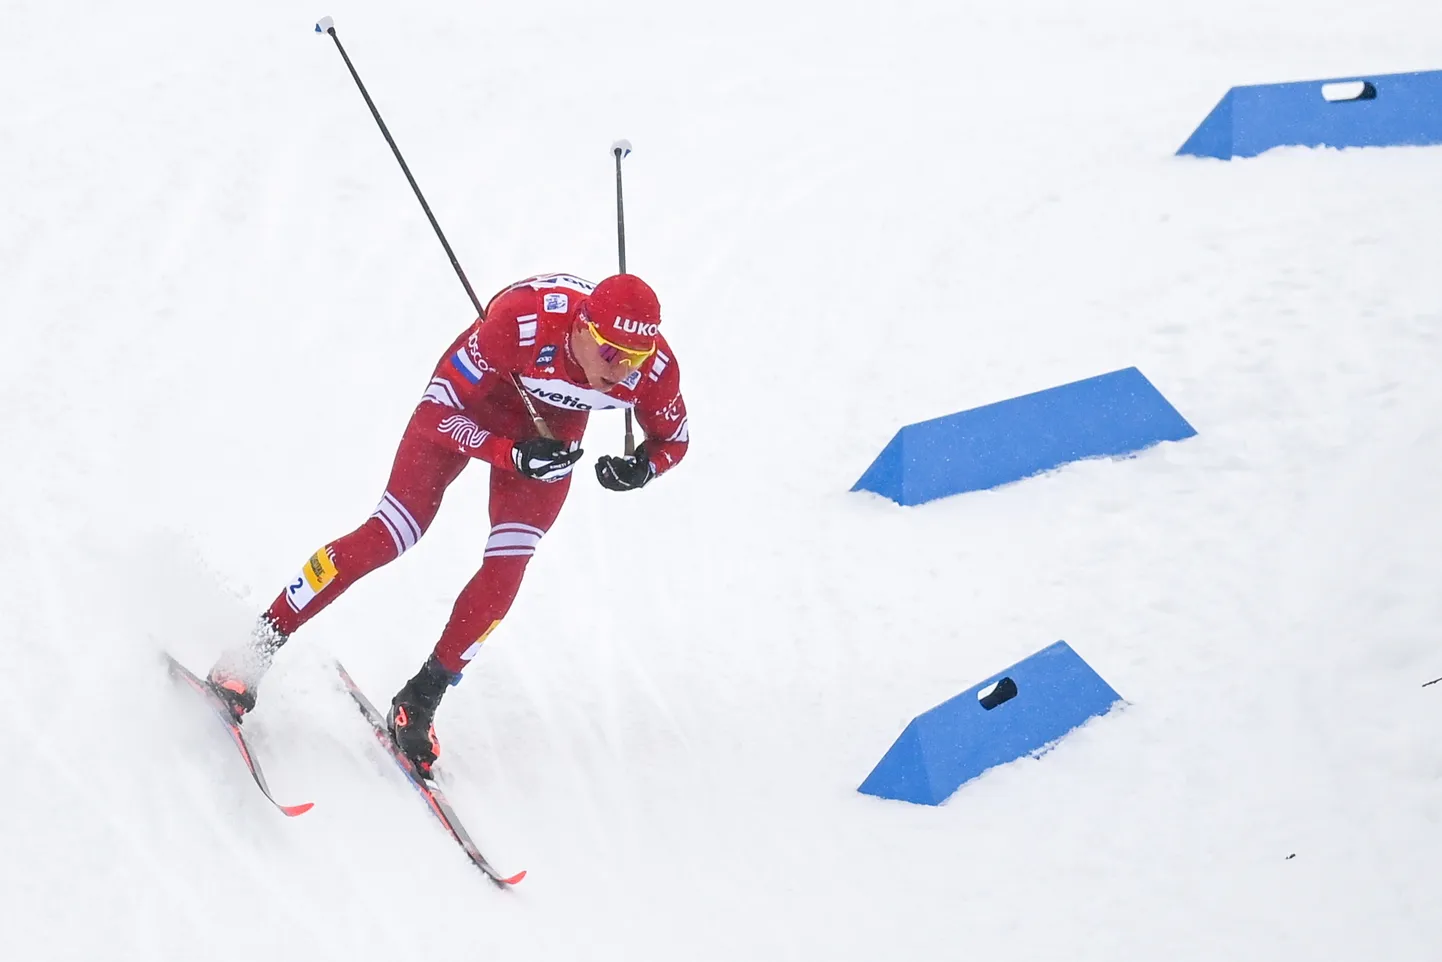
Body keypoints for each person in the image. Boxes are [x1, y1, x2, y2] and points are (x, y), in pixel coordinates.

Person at [206, 272, 689, 774]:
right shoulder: (520, 323)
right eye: (612, 354)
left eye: (636, 358)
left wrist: (641, 469)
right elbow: (436, 412)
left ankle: (420, 699)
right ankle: (251, 650)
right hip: (471, 409)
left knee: (507, 568)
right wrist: (507, 452)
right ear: (583, 327)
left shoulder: (653, 372)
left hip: (551, 435)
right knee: (391, 534)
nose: (622, 371)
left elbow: (673, 442)